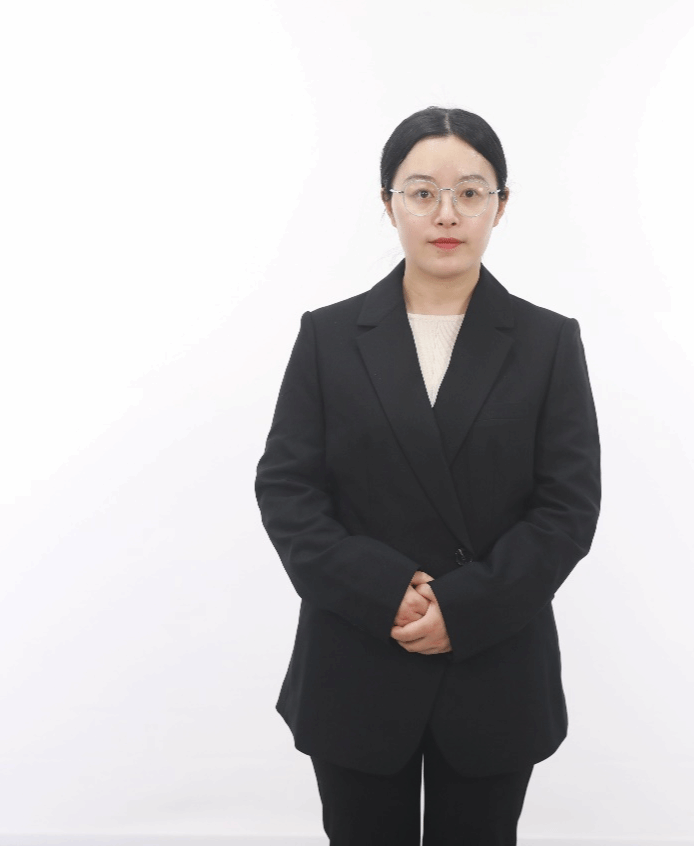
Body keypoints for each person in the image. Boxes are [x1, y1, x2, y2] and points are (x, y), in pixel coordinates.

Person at [254, 106, 601, 845]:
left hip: (493, 663)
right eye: (422, 193)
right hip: (356, 654)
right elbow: (288, 490)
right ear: (390, 204)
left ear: (500, 206)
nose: (447, 214)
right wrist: (383, 590)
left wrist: (466, 608)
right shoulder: (329, 336)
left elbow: (567, 509)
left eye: (470, 192)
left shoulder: (547, 341)